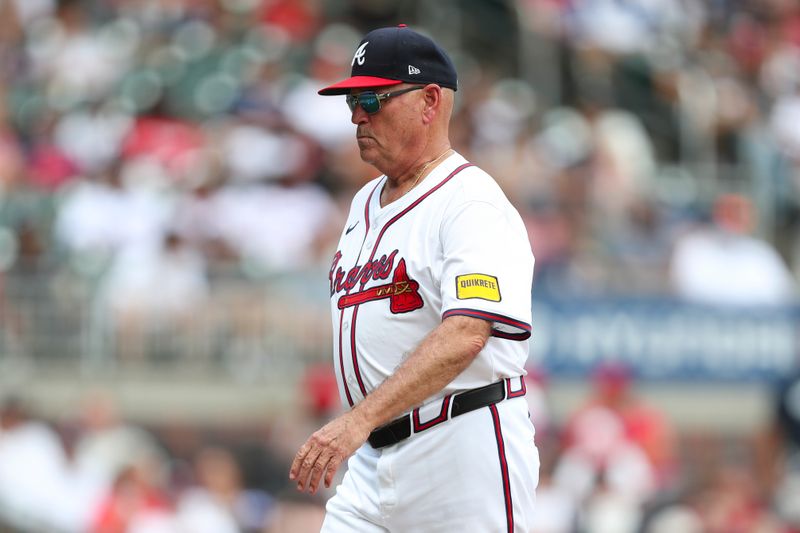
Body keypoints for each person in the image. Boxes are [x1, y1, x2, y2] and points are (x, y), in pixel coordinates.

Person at [289, 24, 539, 532]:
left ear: (429, 101)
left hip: (461, 446)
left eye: (373, 100)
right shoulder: (362, 202)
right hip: (372, 458)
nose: (358, 115)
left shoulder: (470, 201)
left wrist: (357, 421)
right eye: (352, 102)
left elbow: (468, 332)